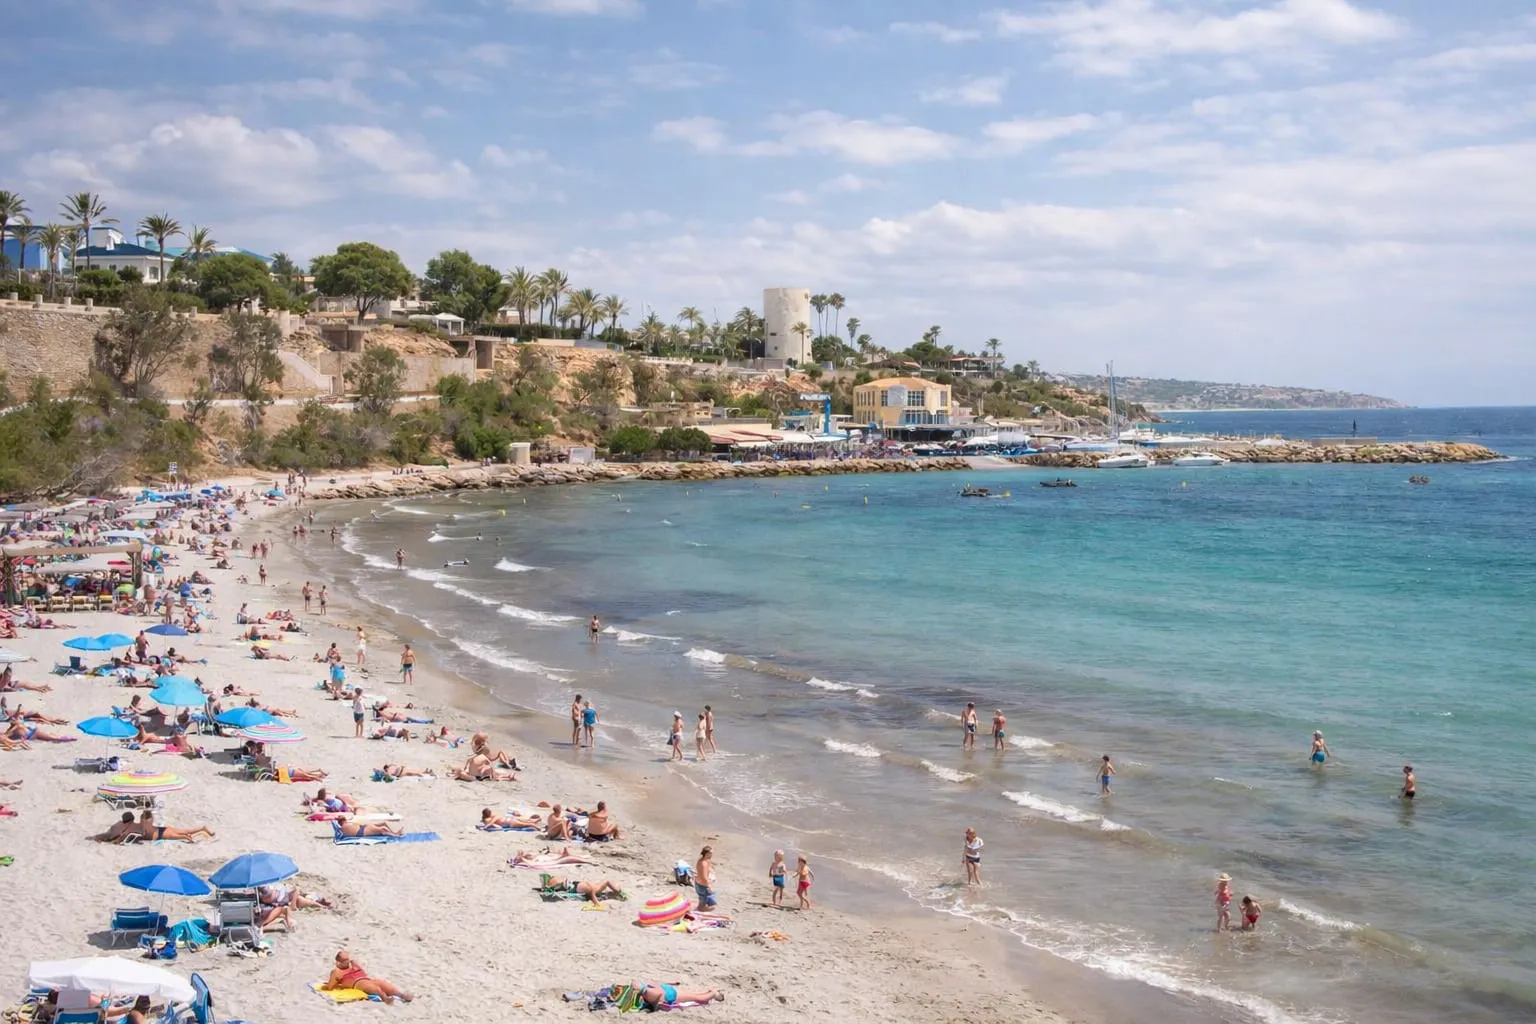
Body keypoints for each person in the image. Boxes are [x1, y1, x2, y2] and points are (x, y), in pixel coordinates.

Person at [320, 950, 414, 1004]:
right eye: (345, 960)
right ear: (338, 962)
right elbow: (330, 987)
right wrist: (336, 985)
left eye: (348, 959)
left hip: (367, 979)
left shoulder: (353, 964)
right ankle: (386, 999)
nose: (348, 961)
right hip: (358, 984)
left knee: (384, 984)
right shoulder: (337, 972)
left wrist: (355, 965)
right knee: (375, 989)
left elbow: (364, 973)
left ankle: (401, 995)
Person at [541, 874, 625, 905]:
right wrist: (597, 903)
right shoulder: (595, 888)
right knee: (607, 882)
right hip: (580, 886)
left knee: (561, 882)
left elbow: (591, 891)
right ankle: (620, 893)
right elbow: (591, 893)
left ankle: (551, 883)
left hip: (576, 885)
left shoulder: (598, 887)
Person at [137, 810, 216, 842]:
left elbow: (146, 833)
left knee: (176, 835)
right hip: (160, 829)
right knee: (184, 831)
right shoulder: (147, 821)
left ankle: (186, 837)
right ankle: (202, 828)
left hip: (159, 833)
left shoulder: (144, 823)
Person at [636, 984, 724, 1011]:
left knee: (697, 998)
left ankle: (713, 993)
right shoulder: (647, 988)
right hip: (668, 990)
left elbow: (660, 998)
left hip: (670, 995)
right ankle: (710, 991)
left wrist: (659, 1004)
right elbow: (658, 986)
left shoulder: (649, 994)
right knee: (694, 994)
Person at [335, 817, 404, 838]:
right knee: (382, 828)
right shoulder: (347, 824)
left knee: (383, 823)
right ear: (344, 820)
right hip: (362, 831)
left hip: (363, 828)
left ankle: (394, 833)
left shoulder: (341, 828)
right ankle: (396, 835)